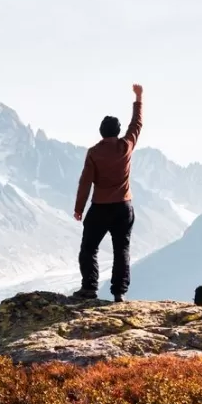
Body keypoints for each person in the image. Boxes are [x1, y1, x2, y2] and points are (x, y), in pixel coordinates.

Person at [71, 83, 143, 302]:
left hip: (101, 208)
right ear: (118, 131)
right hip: (124, 207)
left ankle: (89, 289)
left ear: (101, 132)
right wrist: (138, 97)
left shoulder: (94, 152)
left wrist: (79, 208)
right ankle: (119, 293)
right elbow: (136, 123)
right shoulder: (126, 146)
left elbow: (86, 182)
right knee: (121, 249)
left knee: (89, 248)